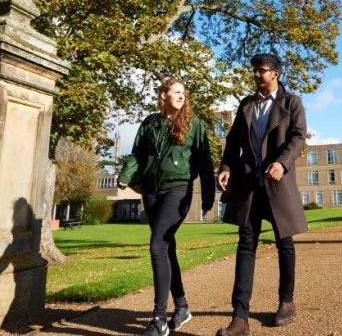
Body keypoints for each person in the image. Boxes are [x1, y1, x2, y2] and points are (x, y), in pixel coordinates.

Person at [216, 53, 308, 336]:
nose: (256, 74)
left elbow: (297, 136)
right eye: (254, 70)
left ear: (276, 74)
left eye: (262, 70)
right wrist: (227, 166)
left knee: (284, 242)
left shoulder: (291, 102)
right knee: (246, 245)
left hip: (277, 182)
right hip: (248, 184)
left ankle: (286, 302)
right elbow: (233, 141)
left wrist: (281, 163)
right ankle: (239, 317)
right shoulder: (246, 104)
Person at [118, 78, 215, 336]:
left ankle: (159, 318)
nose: (181, 96)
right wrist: (126, 175)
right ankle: (181, 306)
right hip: (151, 191)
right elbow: (137, 154)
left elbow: (205, 162)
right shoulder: (150, 122)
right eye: (176, 92)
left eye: (184, 92)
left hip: (178, 189)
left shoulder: (194, 124)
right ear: (163, 95)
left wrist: (208, 196)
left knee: (157, 244)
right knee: (167, 249)